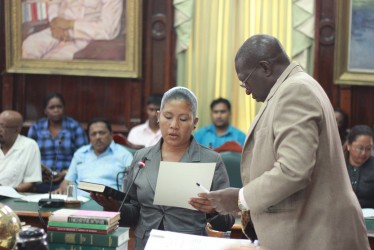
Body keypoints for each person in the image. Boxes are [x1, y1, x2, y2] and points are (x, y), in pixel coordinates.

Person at [194, 34, 370, 249]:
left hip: (318, 234)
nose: (247, 90)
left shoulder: (295, 91)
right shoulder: (296, 86)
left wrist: (240, 198)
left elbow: (293, 169)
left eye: (246, 81)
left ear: (265, 67)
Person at [91, 87, 235, 250]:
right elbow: (133, 214)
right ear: (158, 117)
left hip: (189, 245)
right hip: (145, 244)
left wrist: (213, 211)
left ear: (194, 123)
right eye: (168, 117)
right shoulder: (141, 157)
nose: (174, 125)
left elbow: (227, 222)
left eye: (183, 119)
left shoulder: (211, 160)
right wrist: (114, 207)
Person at [54, 118, 133, 197]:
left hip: (109, 203)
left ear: (111, 134)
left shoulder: (124, 155)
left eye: (102, 133)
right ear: (89, 137)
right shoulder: (80, 153)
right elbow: (68, 181)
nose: (98, 137)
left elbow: (132, 187)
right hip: (80, 202)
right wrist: (61, 190)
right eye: (93, 134)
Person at [28, 93, 88, 193]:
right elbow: (29, 155)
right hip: (40, 180)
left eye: (59, 107)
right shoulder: (37, 127)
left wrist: (66, 173)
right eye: (52, 107)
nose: (56, 110)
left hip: (67, 178)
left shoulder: (74, 127)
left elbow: (84, 156)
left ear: (64, 108)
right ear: (45, 110)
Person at [22, 0, 123, 59]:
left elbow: (108, 30)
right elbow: (54, 3)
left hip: (83, 39)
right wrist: (54, 22)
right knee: (28, 47)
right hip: (56, 31)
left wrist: (70, 25)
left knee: (53, 60)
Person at [0, 110, 42, 192]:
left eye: (3, 126)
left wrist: (8, 192)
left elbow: (31, 182)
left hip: (15, 197)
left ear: (17, 130)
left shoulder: (29, 146)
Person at [345, 125, 374, 208]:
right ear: (348, 145)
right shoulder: (338, 164)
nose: (364, 153)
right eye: (359, 148)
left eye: (369, 148)